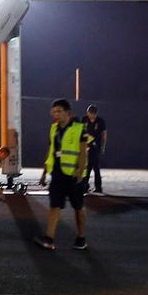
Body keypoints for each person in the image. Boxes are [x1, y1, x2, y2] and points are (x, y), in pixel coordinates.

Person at [34, 99, 91, 251]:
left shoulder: (80, 128)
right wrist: (44, 172)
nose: (55, 114)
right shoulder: (53, 129)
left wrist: (79, 173)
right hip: (57, 174)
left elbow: (83, 152)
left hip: (73, 176)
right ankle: (49, 239)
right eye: (53, 111)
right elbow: (51, 151)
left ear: (68, 113)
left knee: (78, 208)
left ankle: (81, 238)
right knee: (54, 206)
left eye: (59, 111)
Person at [84, 104, 107, 195]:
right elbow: (81, 132)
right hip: (85, 147)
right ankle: (87, 186)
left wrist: (103, 146)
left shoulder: (100, 121)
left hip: (95, 147)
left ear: (96, 114)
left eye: (93, 114)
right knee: (89, 166)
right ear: (87, 113)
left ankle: (95, 187)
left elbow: (104, 134)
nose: (91, 116)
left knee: (93, 166)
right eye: (90, 113)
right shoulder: (84, 120)